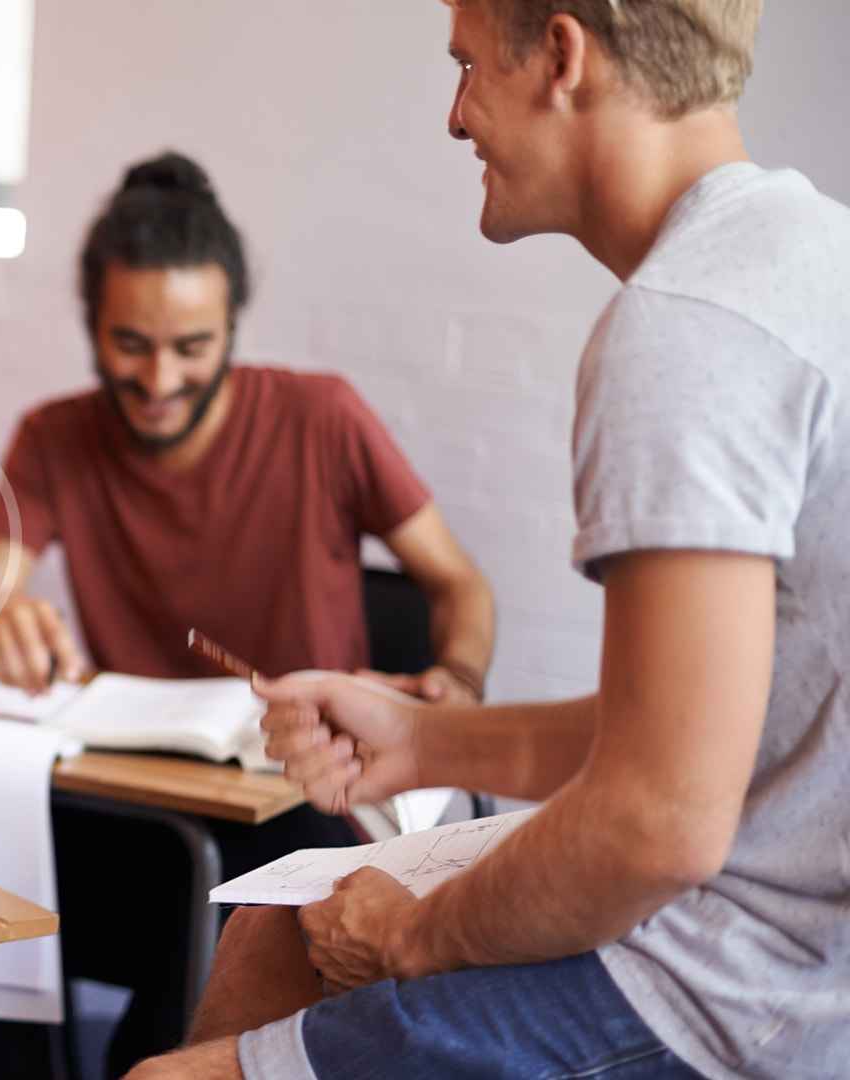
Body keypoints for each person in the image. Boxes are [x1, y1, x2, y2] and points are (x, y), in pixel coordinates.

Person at [132, 1, 847, 1077]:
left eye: (467, 67)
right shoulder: (808, 251)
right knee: (272, 936)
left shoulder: (685, 327)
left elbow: (656, 823)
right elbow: (706, 732)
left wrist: (413, 936)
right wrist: (425, 741)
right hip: (793, 948)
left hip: (742, 1003)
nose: (457, 116)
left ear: (561, 56)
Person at [0, 150, 496, 1075]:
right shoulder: (54, 435)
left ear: (233, 324)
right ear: (92, 324)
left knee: (199, 935)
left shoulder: (322, 418)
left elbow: (459, 584)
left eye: (191, 347)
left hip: (297, 802)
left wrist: (460, 679)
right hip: (134, 808)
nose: (160, 377)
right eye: (131, 344)